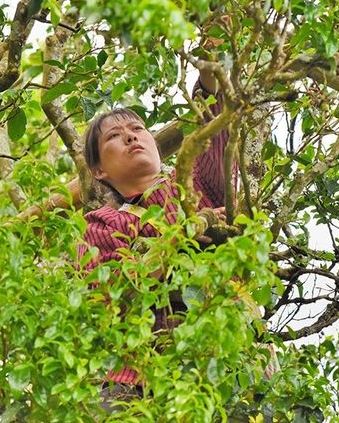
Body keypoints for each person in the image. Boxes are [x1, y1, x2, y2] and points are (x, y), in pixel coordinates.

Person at [77, 68, 230, 408]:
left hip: (222, 359)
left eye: (137, 129)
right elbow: (110, 295)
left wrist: (209, 72)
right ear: (99, 170)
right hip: (139, 378)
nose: (131, 137)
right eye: (114, 137)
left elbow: (214, 133)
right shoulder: (102, 225)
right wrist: (184, 234)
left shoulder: (192, 183)